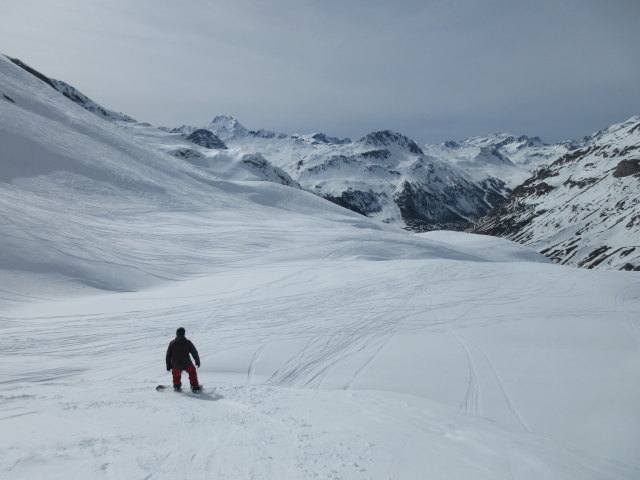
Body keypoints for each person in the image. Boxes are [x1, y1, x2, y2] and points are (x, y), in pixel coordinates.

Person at [166, 327, 202, 392]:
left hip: (176, 365)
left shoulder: (172, 343)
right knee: (192, 372)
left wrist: (168, 365)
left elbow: (168, 355)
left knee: (176, 375)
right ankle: (195, 386)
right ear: (184, 334)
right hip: (187, 364)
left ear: (176, 334)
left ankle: (177, 386)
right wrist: (197, 361)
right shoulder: (188, 342)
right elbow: (194, 352)